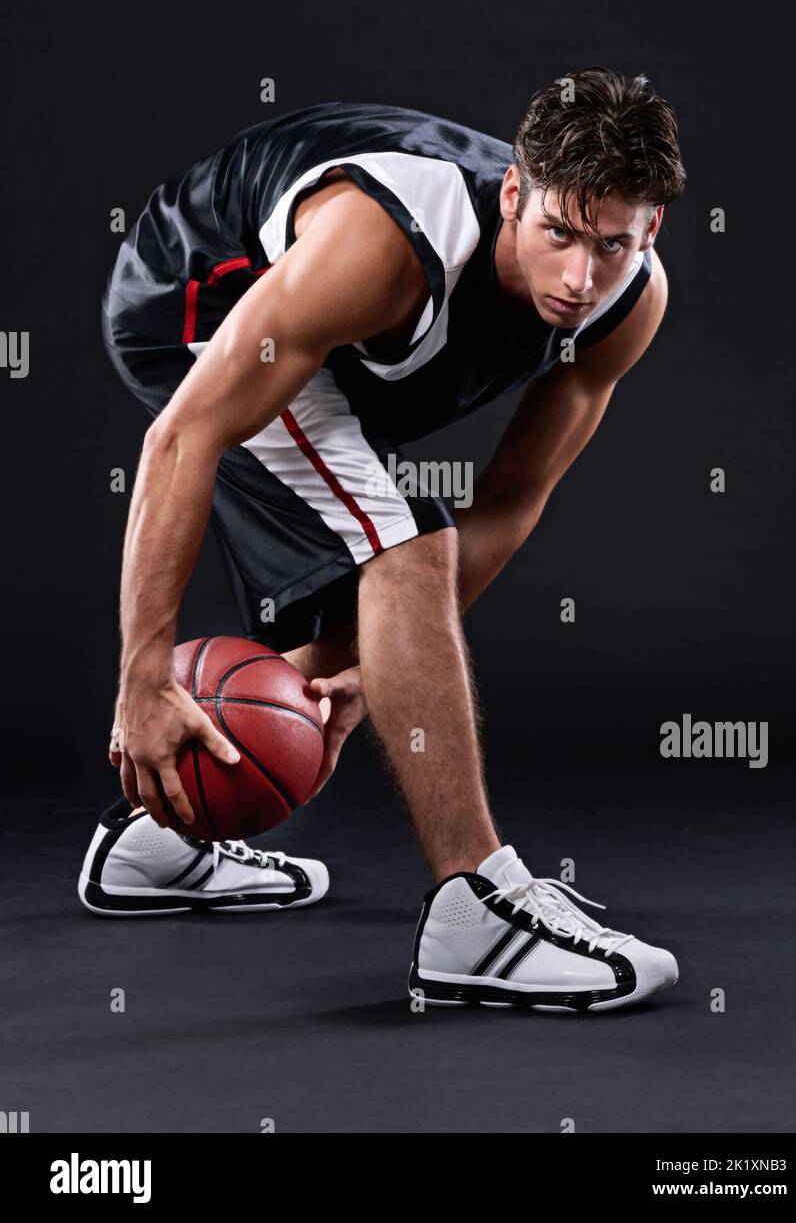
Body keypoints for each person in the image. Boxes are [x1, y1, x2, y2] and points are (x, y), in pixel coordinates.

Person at [79, 66, 686, 1012]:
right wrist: (142, 677)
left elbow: (512, 500)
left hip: (343, 346)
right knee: (407, 544)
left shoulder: (626, 303)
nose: (578, 277)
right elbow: (182, 434)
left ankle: (159, 840)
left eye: (610, 245)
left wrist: (374, 671)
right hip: (196, 304)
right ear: (513, 196)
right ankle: (477, 912)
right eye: (557, 234)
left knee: (407, 555)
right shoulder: (385, 243)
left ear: (648, 233)